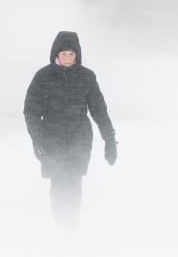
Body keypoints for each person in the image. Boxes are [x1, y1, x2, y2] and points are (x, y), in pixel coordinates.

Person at [23, 31, 117, 226]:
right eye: (63, 54)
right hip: (51, 139)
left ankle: (71, 227)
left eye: (71, 54)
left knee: (74, 183)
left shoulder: (87, 77)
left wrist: (109, 139)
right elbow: (31, 111)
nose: (67, 58)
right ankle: (61, 227)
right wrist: (37, 137)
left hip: (79, 139)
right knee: (58, 184)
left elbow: (99, 110)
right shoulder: (43, 77)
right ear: (56, 54)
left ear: (77, 55)